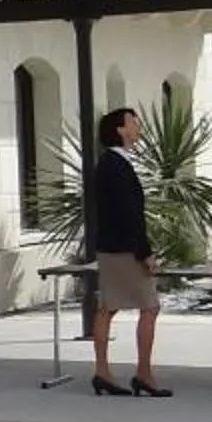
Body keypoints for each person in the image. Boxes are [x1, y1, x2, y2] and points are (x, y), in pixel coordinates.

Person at [86, 106, 168, 397]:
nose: (138, 126)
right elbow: (129, 212)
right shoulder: (115, 165)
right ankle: (143, 373)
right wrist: (144, 252)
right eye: (133, 122)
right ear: (120, 130)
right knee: (149, 306)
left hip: (112, 246)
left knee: (108, 307)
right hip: (125, 249)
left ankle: (103, 372)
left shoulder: (112, 163)